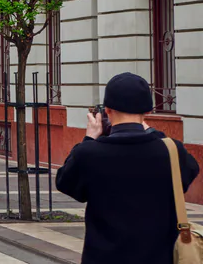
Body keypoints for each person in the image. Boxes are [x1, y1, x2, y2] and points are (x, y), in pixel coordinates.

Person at [57, 72, 200, 264]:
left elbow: (65, 182)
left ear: (107, 110)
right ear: (148, 112)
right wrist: (152, 132)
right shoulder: (172, 151)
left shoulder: (89, 153)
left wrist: (89, 138)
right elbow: (187, 174)